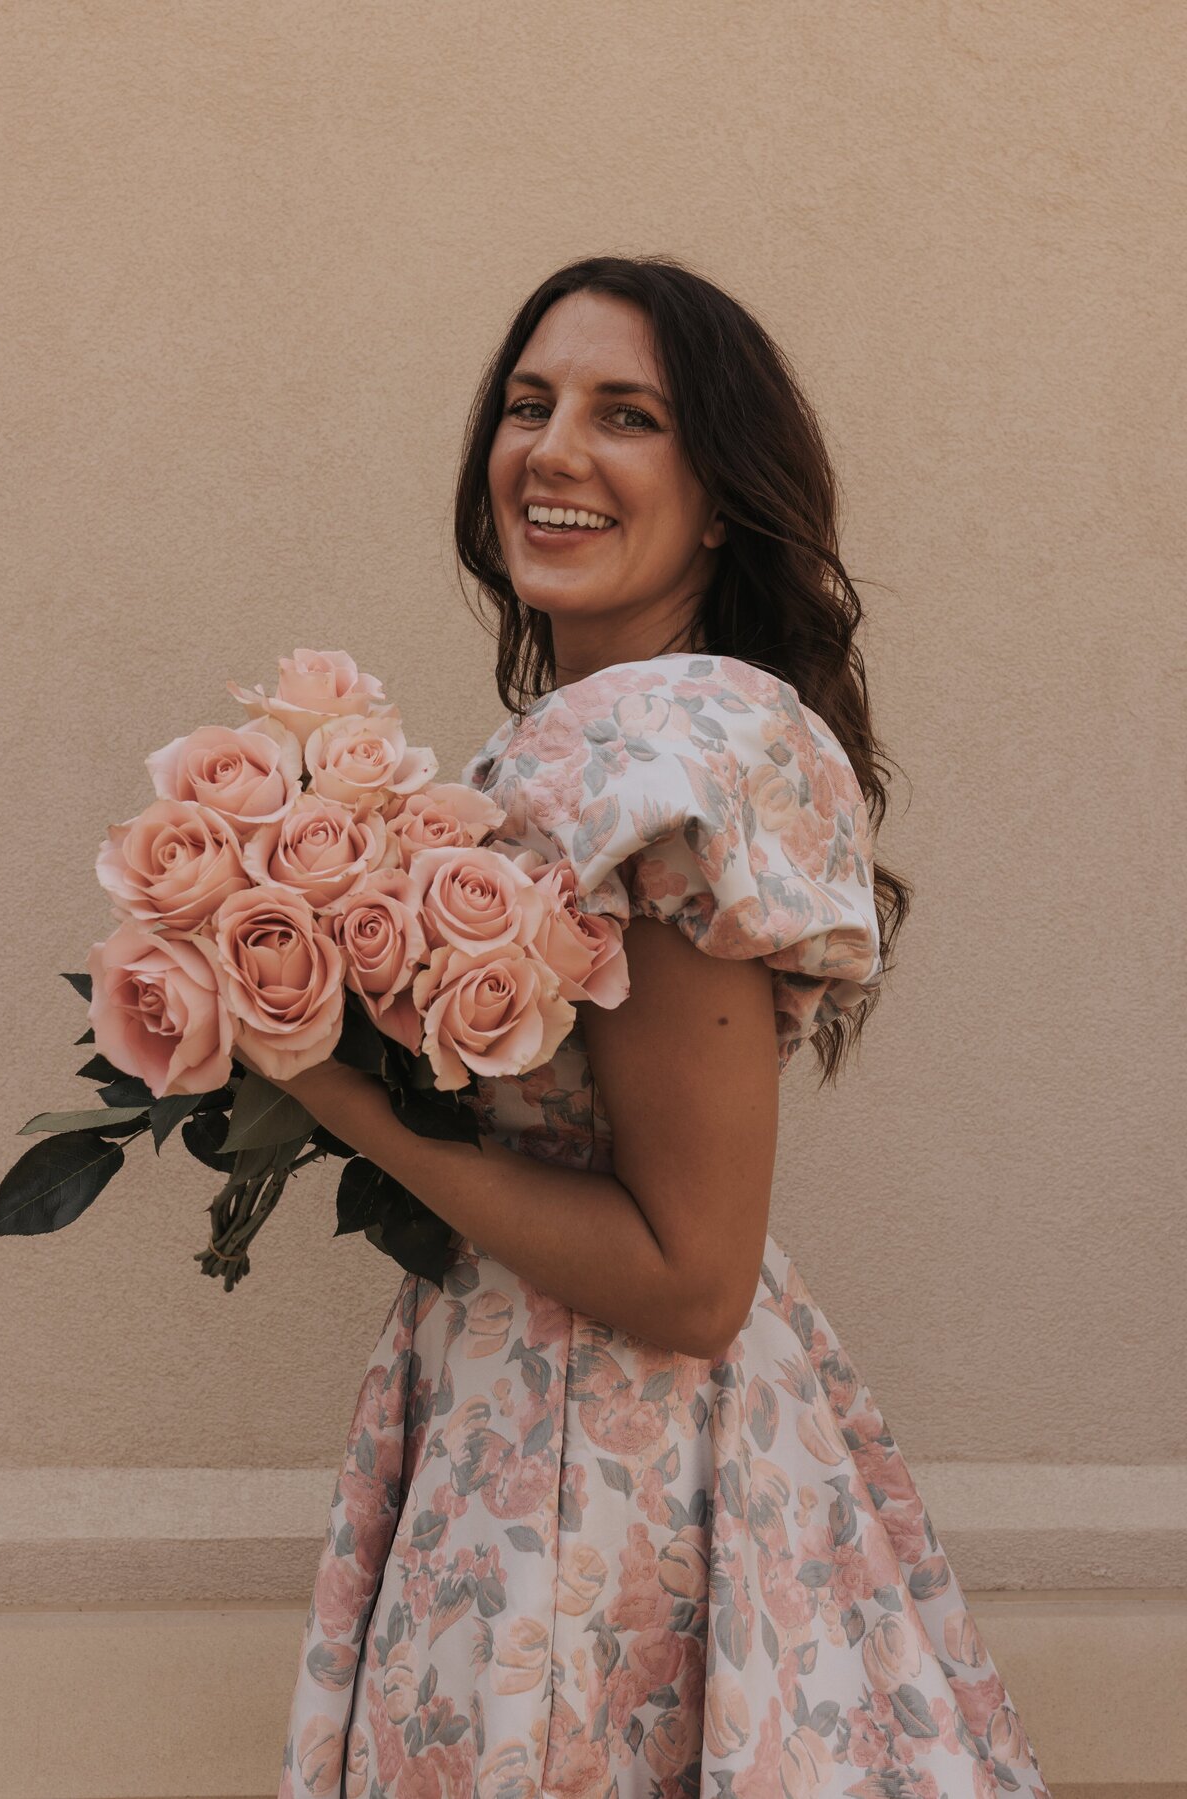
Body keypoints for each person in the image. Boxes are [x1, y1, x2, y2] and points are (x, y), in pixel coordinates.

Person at [275, 256, 1050, 1797]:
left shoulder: (661, 750)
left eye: (626, 415)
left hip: (600, 1473)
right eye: (527, 403)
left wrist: (328, 1094)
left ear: (717, 500)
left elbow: (691, 1281)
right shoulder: (574, 737)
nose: (553, 450)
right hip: (530, 1421)